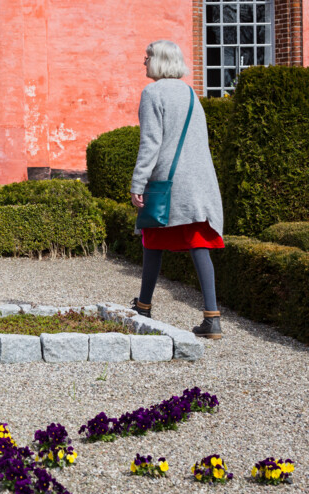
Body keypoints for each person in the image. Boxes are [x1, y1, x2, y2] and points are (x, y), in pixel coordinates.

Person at [130, 40, 224, 339]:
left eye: (147, 58)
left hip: (169, 180)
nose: (143, 62)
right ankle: (212, 317)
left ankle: (144, 307)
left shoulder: (152, 93)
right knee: (197, 240)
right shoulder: (190, 92)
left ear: (158, 61)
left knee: (153, 237)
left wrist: (138, 183)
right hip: (199, 178)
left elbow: (150, 143)